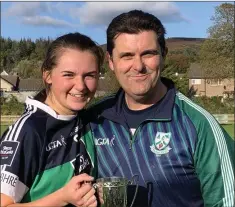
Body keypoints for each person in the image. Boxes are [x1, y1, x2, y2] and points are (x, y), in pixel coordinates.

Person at [87, 10, 234, 207]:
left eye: (148, 54)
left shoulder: (198, 123)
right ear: (111, 62)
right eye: (127, 56)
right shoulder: (93, 120)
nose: (138, 66)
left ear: (163, 55)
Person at [0, 32, 104, 207]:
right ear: (47, 75)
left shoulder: (85, 119)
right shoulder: (29, 131)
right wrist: (62, 198)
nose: (80, 86)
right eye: (69, 75)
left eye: (90, 75)